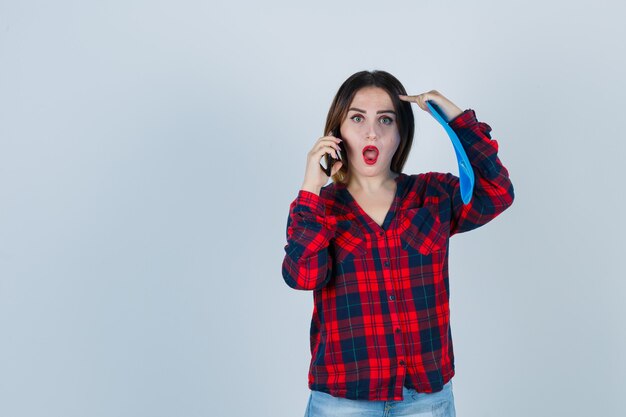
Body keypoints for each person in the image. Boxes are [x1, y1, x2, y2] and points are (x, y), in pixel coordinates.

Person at [281, 70, 514, 417]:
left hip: (426, 401)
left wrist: (453, 117)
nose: (371, 131)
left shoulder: (434, 194)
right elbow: (303, 276)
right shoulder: (319, 208)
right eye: (357, 118)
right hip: (342, 403)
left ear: (401, 133)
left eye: (385, 120)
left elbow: (496, 193)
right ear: (338, 132)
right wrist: (311, 185)